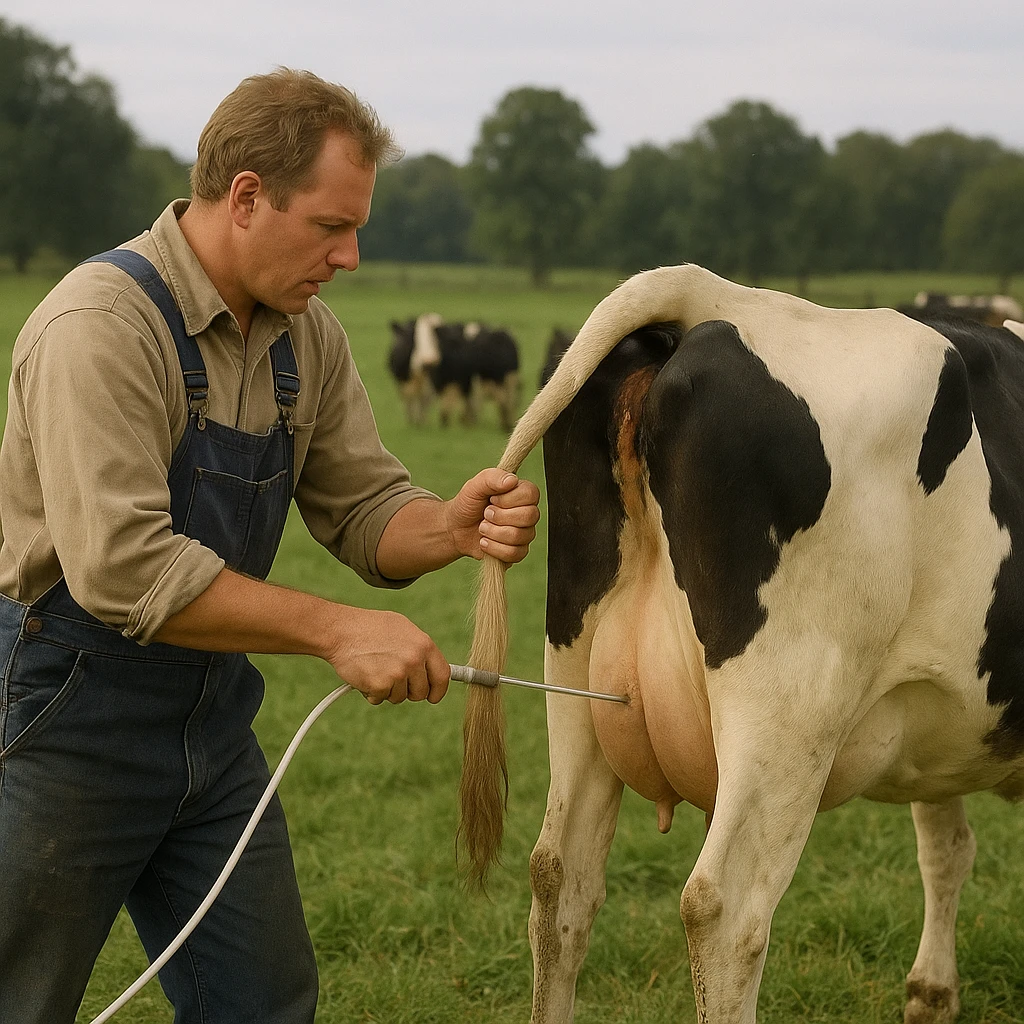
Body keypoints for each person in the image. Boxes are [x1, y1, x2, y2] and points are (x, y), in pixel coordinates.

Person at [0, 68, 540, 1024]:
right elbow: (124, 568)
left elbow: (369, 507)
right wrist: (337, 632)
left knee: (265, 1003)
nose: (353, 256)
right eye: (332, 226)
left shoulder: (306, 337)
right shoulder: (100, 326)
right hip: (67, 724)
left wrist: (448, 525)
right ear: (246, 196)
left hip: (212, 730)